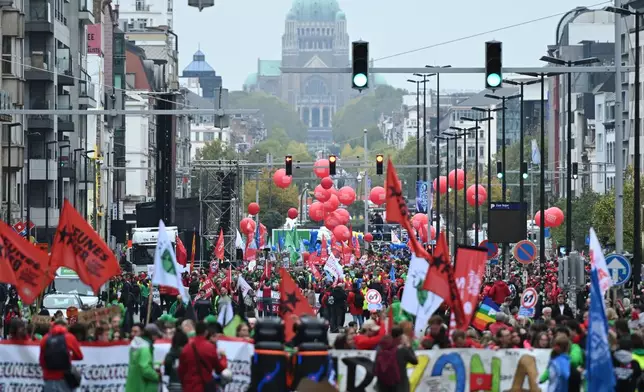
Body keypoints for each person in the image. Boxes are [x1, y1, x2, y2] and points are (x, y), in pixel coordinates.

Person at [179, 321, 228, 392]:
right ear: (206, 332)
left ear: (195, 331)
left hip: (189, 387)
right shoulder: (210, 347)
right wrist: (223, 357)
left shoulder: (186, 347)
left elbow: (181, 370)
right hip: (204, 387)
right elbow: (219, 369)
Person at [39, 319, 84, 392]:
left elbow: (42, 362)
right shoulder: (69, 337)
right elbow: (80, 356)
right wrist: (68, 357)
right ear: (65, 326)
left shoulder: (45, 339)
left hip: (49, 379)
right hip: (65, 378)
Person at [125, 324, 163, 392]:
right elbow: (145, 368)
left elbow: (139, 363)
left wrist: (158, 363)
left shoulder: (135, 346)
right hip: (143, 387)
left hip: (133, 386)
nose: (157, 338)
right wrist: (157, 377)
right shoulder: (145, 348)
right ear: (152, 336)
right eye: (156, 335)